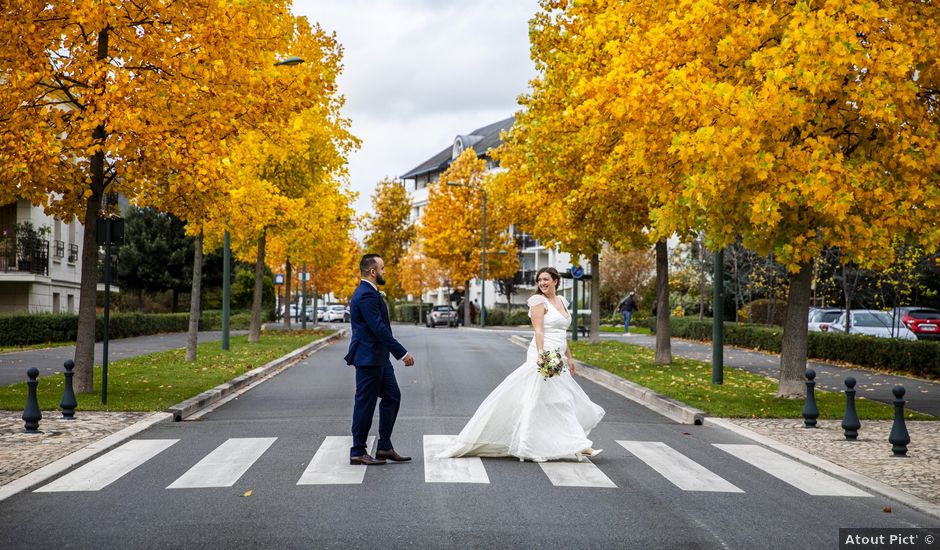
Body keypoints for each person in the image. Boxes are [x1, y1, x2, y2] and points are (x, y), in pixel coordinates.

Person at [439, 267, 605, 462]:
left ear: (556, 281)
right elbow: (539, 331)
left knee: (557, 400)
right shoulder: (537, 302)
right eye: (539, 280)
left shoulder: (562, 301)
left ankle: (573, 444)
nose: (542, 283)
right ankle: (575, 445)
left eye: (546, 279)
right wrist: (542, 356)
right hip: (542, 355)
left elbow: (562, 334)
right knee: (554, 400)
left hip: (558, 357)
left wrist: (569, 357)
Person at [344, 253, 415, 466]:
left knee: (392, 397)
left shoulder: (371, 292)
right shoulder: (366, 294)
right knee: (364, 405)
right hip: (368, 358)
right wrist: (402, 353)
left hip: (379, 358)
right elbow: (378, 328)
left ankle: (384, 446)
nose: (385, 272)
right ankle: (357, 451)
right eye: (382, 269)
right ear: (373, 272)